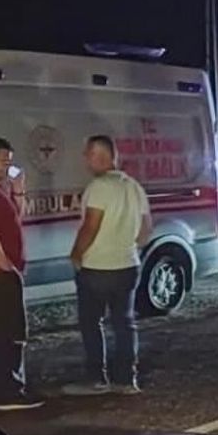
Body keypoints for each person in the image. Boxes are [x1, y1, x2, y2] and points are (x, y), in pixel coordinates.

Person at [63, 136, 152, 396]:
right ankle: (126, 380)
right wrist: (128, 247)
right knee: (125, 323)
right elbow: (146, 230)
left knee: (92, 323)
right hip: (127, 265)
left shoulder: (99, 186)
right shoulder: (134, 186)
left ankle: (96, 379)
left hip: (98, 267)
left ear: (97, 155)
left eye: (87, 153)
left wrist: (76, 254)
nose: (85, 158)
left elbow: (91, 225)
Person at [0, 137, 43, 410]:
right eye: (3, 160)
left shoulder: (1, 192)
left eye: (9, 161)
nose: (7, 166)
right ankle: (9, 391)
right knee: (10, 331)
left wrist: (18, 191)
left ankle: (8, 386)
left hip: (5, 272)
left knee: (7, 330)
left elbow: (15, 220)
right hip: (2, 276)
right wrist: (6, 267)